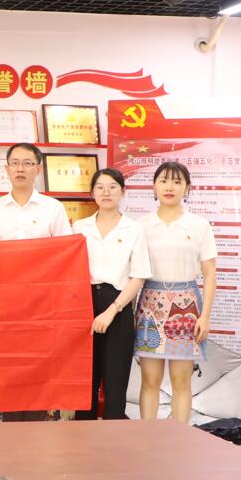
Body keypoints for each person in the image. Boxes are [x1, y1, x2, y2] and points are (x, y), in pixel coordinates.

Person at [0, 142, 72, 422]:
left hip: (42, 302)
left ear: (38, 169)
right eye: (15, 163)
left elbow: (66, 254)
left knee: (39, 363)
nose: (20, 169)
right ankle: (10, 429)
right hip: (5, 302)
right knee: (9, 365)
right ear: (7, 169)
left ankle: (35, 429)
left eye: (27, 163)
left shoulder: (52, 208)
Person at [135, 161, 216, 424]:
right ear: (154, 186)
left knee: (181, 381)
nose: (169, 187)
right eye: (163, 181)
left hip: (187, 307)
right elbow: (134, 273)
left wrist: (205, 316)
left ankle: (179, 440)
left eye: (177, 181)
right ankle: (147, 438)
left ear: (187, 188)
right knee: (150, 380)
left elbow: (210, 273)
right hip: (150, 307)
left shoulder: (199, 225)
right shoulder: (141, 226)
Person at [72, 168, 151, 420]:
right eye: (100, 187)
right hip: (83, 305)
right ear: (92, 193)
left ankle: (113, 439)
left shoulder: (134, 229)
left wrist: (112, 310)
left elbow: (138, 275)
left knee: (115, 383)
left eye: (113, 187)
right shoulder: (79, 228)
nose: (106, 192)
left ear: (123, 192)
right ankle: (82, 438)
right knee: (85, 383)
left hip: (118, 305)